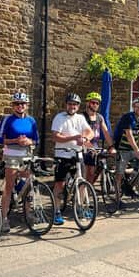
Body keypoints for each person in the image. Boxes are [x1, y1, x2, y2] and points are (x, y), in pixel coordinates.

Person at [0, 90, 39, 233]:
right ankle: (4, 218)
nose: (20, 106)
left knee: (27, 186)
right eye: (17, 104)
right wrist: (15, 140)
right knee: (9, 186)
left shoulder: (31, 120)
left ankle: (27, 212)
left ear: (27, 105)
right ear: (13, 105)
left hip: (26, 155)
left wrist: (28, 141)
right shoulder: (7, 119)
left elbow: (37, 140)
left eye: (22, 104)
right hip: (11, 155)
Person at [51, 93, 94, 225]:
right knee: (60, 184)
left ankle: (81, 207)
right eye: (70, 104)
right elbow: (56, 137)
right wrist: (74, 138)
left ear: (78, 106)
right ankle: (56, 210)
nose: (72, 106)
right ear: (66, 105)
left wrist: (86, 138)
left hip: (78, 154)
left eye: (75, 104)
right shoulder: (59, 118)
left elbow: (89, 131)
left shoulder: (80, 118)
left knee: (82, 182)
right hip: (62, 155)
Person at [114, 98, 139, 208]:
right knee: (119, 175)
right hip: (122, 149)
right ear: (133, 107)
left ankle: (128, 185)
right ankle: (118, 200)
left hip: (132, 149)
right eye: (137, 106)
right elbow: (129, 134)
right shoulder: (127, 117)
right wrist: (137, 149)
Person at [82, 91, 115, 184]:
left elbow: (106, 133)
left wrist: (111, 146)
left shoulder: (99, 117)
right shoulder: (82, 117)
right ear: (88, 103)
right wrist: (89, 147)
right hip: (84, 146)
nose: (95, 105)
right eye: (93, 102)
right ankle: (80, 192)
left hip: (95, 146)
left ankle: (88, 192)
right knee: (86, 172)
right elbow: (82, 135)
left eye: (97, 103)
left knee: (92, 173)